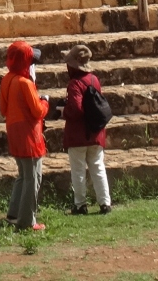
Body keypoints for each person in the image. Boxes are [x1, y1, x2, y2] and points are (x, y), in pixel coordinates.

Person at [0, 40, 49, 231]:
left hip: (13, 130)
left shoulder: (7, 79)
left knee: (23, 174)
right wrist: (44, 101)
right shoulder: (25, 83)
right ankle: (27, 221)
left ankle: (13, 213)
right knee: (33, 177)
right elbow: (37, 112)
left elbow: (3, 109)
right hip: (29, 133)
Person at [62, 44, 112, 215]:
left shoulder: (75, 83)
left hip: (78, 134)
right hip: (95, 132)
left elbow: (76, 109)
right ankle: (105, 202)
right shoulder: (94, 80)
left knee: (78, 170)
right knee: (98, 167)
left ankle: (80, 204)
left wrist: (63, 111)